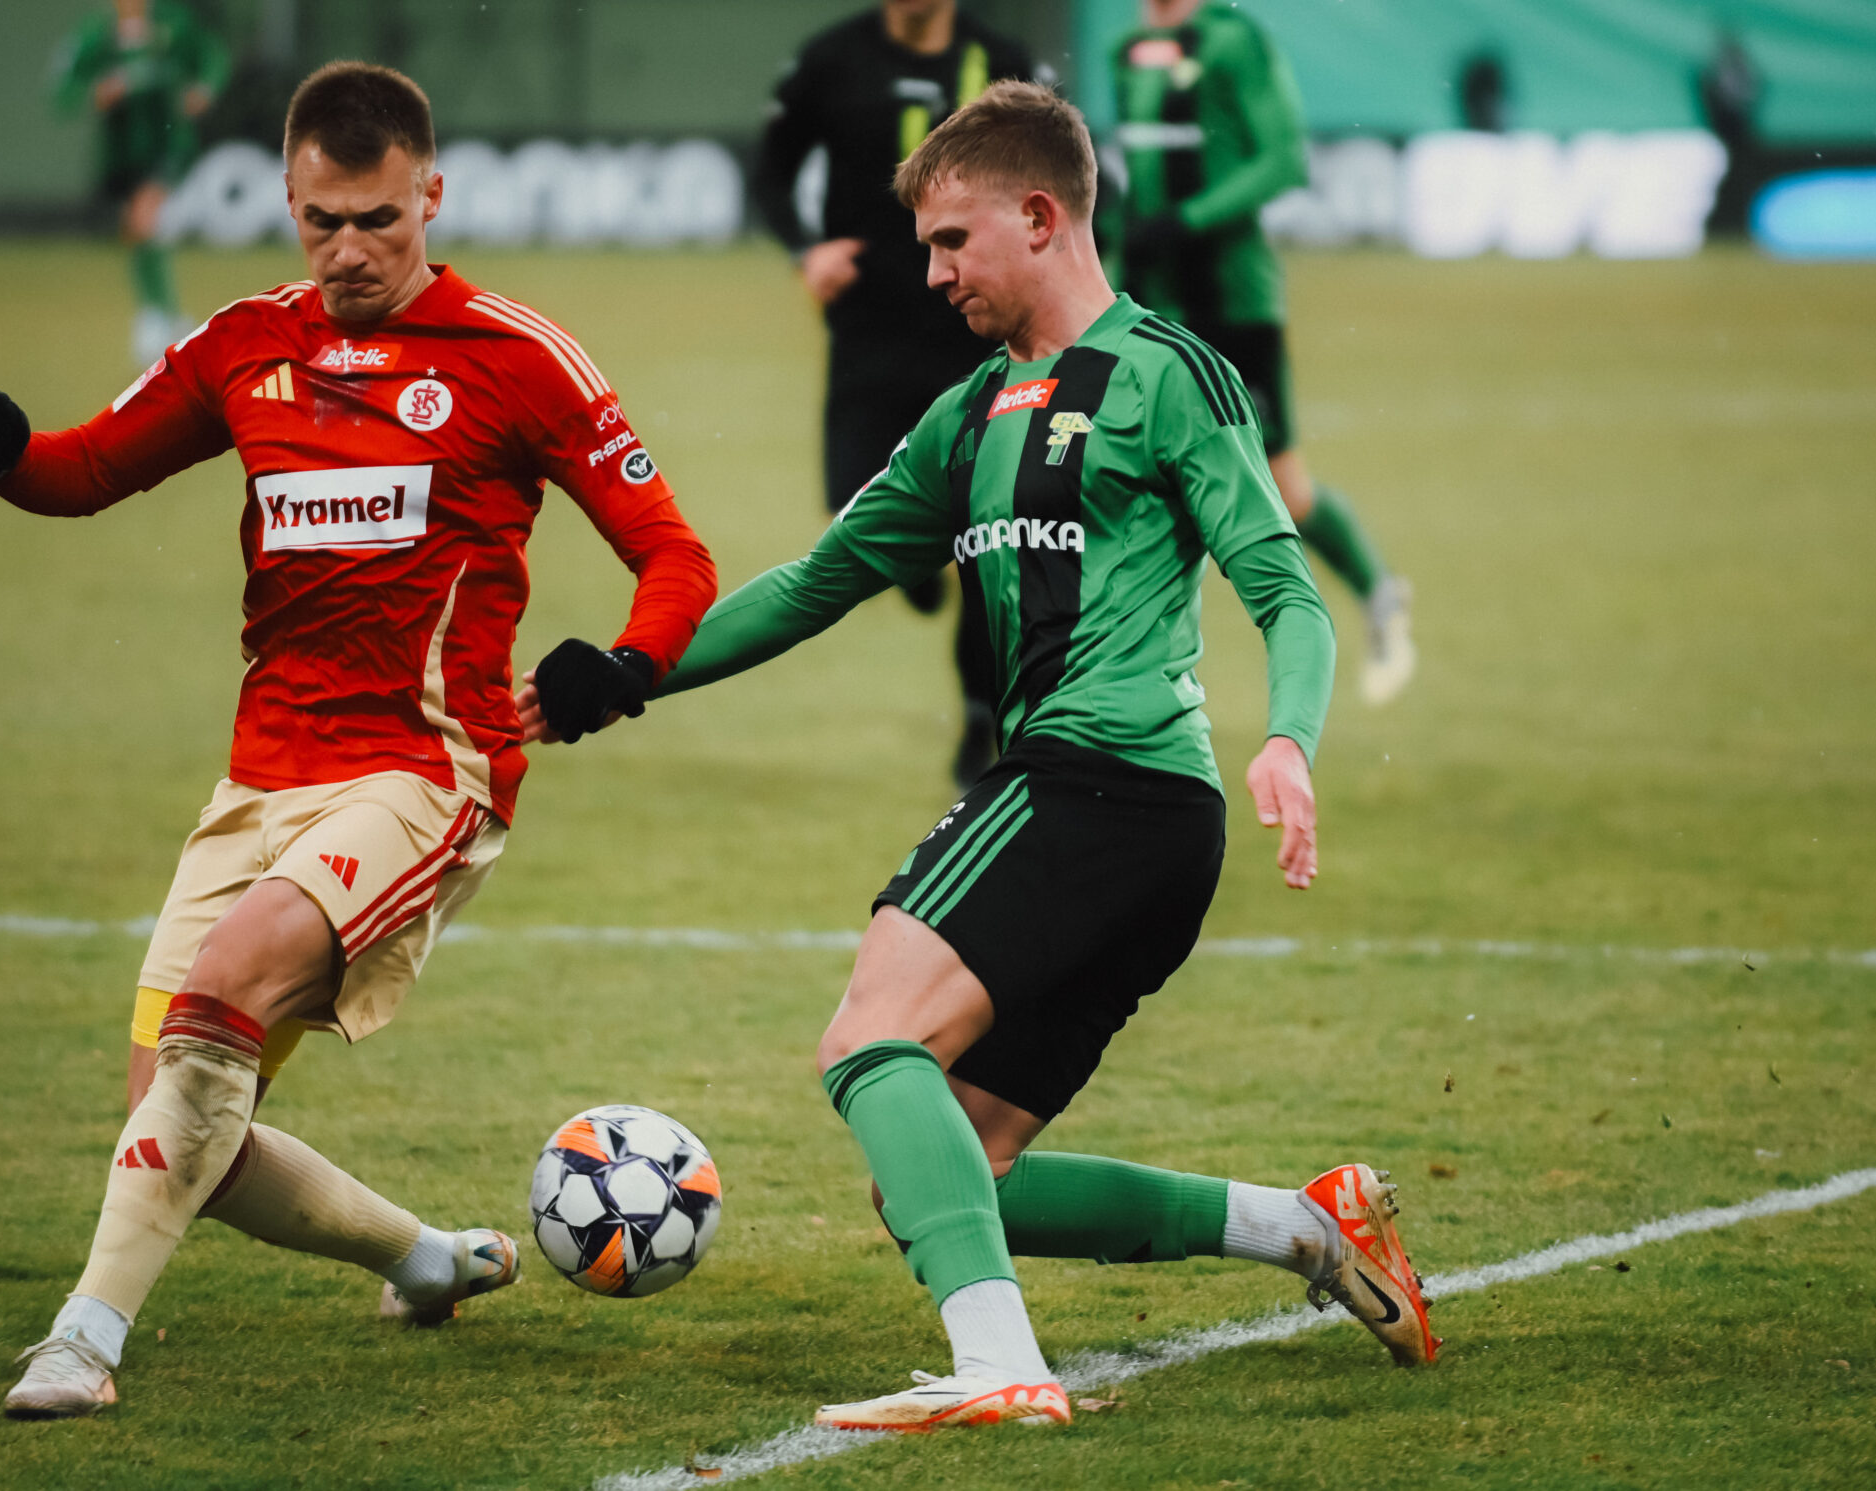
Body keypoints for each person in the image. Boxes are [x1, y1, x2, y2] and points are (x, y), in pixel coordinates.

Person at [528, 81, 1437, 1433]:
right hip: (1127, 822)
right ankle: (1305, 1227)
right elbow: (819, 581)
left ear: (1041, 215)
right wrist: (633, 669)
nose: (934, 272)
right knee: (950, 1170)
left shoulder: (1166, 374)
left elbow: (1284, 591)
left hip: (1102, 784)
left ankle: (1000, 1369)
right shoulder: (968, 414)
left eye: (953, 241)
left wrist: (1288, 742)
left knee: (870, 1036)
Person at [0, 61, 718, 1419]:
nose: (348, 250)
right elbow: (88, 468)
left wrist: (623, 666)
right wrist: (4, 454)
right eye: (320, 222)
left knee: (222, 998)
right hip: (259, 777)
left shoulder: (517, 357)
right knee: (174, 1129)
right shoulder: (245, 344)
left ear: (431, 196)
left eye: (377, 220)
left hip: (423, 774)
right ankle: (425, 1257)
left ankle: (82, 1342)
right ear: (289, 202)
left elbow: (674, 555)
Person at [755, 0, 1040, 785]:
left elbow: (1061, 183)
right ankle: (918, 566)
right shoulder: (831, 59)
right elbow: (771, 167)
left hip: (973, 331)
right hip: (868, 332)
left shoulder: (1001, 60)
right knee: (855, 516)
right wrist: (806, 251)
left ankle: (981, 715)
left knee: (986, 530)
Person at [1107, 0, 1417, 706]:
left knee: (1284, 492)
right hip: (1150, 304)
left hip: (1233, 305)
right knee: (1120, 472)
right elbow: (1137, 180)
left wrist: (1187, 219)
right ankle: (1123, 675)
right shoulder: (1126, 49)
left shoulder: (1234, 42)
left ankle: (1379, 594)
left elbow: (1282, 160)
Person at [52, 0, 230, 366]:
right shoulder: (97, 36)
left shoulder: (172, 24)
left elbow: (213, 56)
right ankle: (170, 315)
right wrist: (97, 93)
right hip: (121, 153)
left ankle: (151, 319)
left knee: (143, 217)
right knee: (135, 231)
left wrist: (204, 88)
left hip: (170, 143)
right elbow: (64, 89)